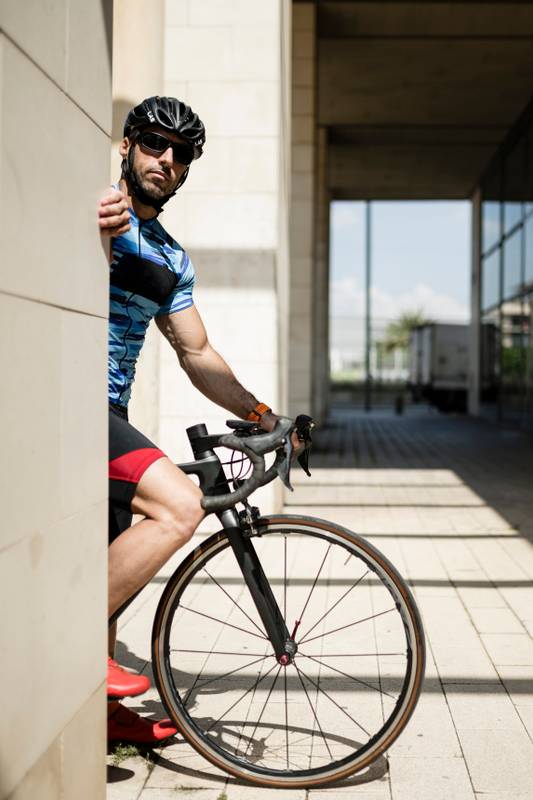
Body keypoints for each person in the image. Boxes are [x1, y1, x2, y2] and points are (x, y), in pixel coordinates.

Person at [99, 96, 299, 744]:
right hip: (64, 401)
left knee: (108, 558)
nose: (166, 160)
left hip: (108, 411)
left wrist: (263, 413)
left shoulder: (170, 256)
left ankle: (96, 712)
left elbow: (196, 352)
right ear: (127, 144)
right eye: (155, 144)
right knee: (180, 507)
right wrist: (89, 217)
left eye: (180, 154)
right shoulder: (98, 205)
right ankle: (64, 633)